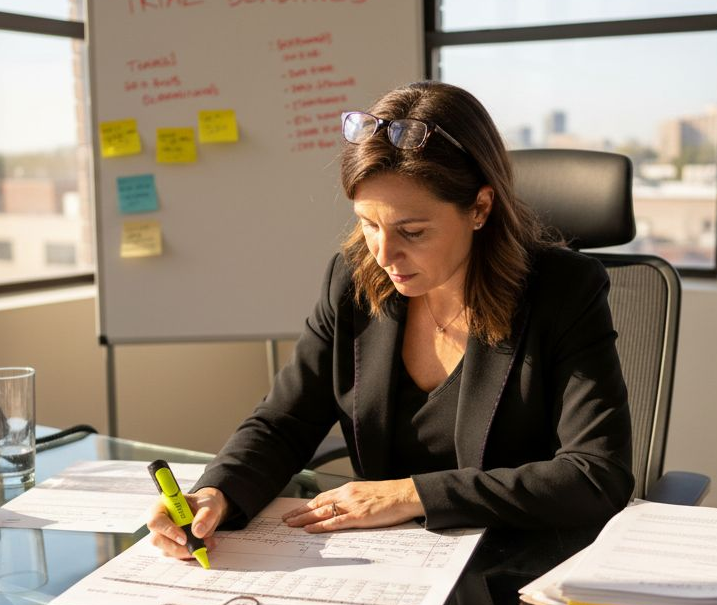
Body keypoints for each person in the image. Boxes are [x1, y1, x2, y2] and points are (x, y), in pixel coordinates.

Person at [149, 81, 633, 560]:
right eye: (368, 223)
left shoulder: (562, 290)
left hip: (512, 569)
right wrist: (217, 493)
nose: (383, 254)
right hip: (385, 568)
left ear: (480, 208)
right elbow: (284, 421)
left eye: (413, 231)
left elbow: (595, 474)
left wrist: (410, 495)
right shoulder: (353, 279)